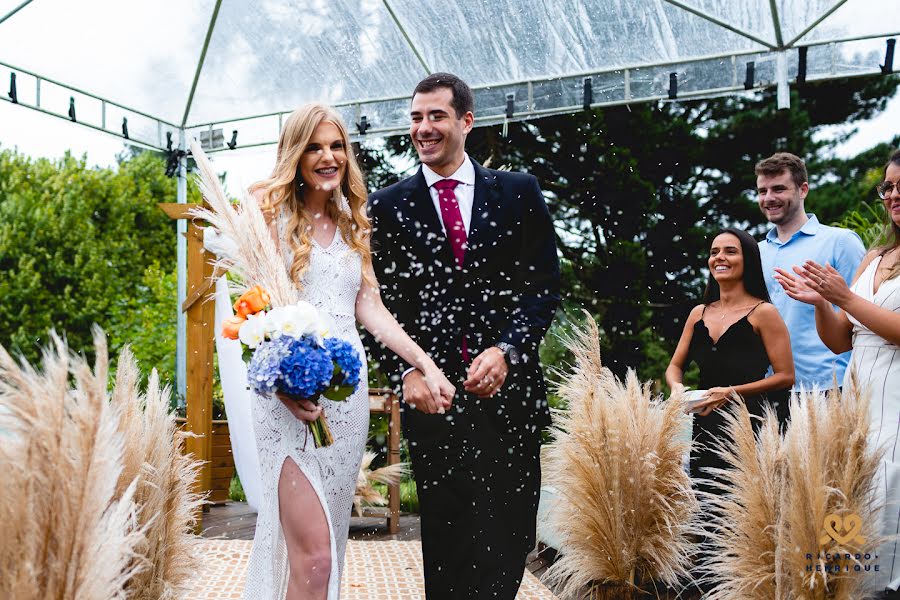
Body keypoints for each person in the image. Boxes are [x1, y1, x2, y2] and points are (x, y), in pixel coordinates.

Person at [240, 103, 455, 600]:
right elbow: (253, 314)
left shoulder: (354, 222)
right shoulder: (270, 216)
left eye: (336, 146)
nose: (327, 156)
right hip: (284, 398)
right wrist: (285, 387)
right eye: (314, 146)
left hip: (344, 395)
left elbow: (371, 308)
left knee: (328, 549)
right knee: (312, 558)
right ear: (295, 154)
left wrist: (424, 362)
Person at [368, 73, 561, 599]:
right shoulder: (386, 206)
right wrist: (405, 371)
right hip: (434, 403)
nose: (423, 128)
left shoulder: (518, 191)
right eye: (415, 117)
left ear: (466, 122)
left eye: (436, 116)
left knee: (509, 535)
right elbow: (373, 304)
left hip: (511, 400)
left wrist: (510, 350)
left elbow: (543, 287)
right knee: (449, 544)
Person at [774, 149, 900, 596]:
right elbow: (842, 340)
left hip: (896, 400)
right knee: (848, 501)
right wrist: (821, 303)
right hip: (858, 397)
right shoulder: (876, 255)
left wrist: (844, 298)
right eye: (888, 187)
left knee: (888, 506)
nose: (894, 195)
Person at [666, 227, 794, 494]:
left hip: (749, 426)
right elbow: (675, 366)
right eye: (714, 252)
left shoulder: (764, 313)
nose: (719, 258)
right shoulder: (698, 313)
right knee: (706, 514)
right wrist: (677, 389)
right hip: (704, 428)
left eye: (730, 251)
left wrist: (731, 393)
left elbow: (785, 376)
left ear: (748, 260)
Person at [756, 152, 866, 390]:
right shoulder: (755, 252)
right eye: (762, 191)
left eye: (778, 189)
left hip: (831, 384)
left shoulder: (841, 241)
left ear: (803, 189)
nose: (768, 198)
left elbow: (863, 311)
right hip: (769, 385)